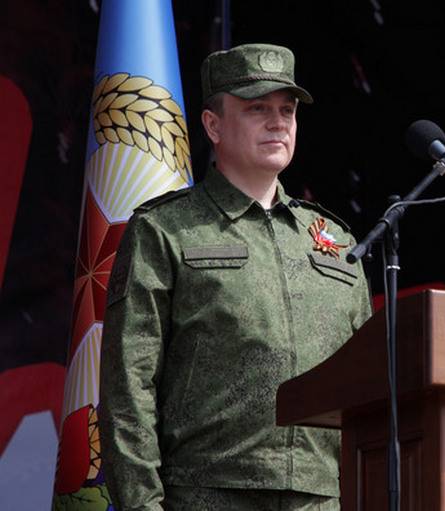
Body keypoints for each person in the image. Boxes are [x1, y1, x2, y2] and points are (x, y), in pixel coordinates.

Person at [98, 43, 372, 510]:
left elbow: (369, 386)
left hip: (321, 498)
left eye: (287, 110)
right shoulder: (165, 229)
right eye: (257, 109)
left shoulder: (338, 242)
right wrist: (142, 505)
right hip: (205, 492)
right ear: (213, 125)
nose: (278, 122)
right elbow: (128, 385)